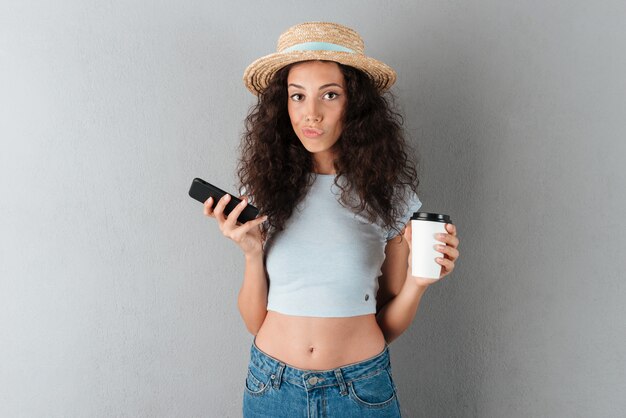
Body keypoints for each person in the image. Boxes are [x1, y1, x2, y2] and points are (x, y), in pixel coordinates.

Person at [202, 22, 460, 417]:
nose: (312, 114)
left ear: (354, 104)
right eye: (297, 96)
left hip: (360, 390)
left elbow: (384, 324)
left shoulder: (390, 198)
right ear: (282, 105)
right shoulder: (269, 192)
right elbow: (256, 322)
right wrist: (252, 254)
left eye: (330, 95)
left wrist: (418, 284)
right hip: (272, 386)